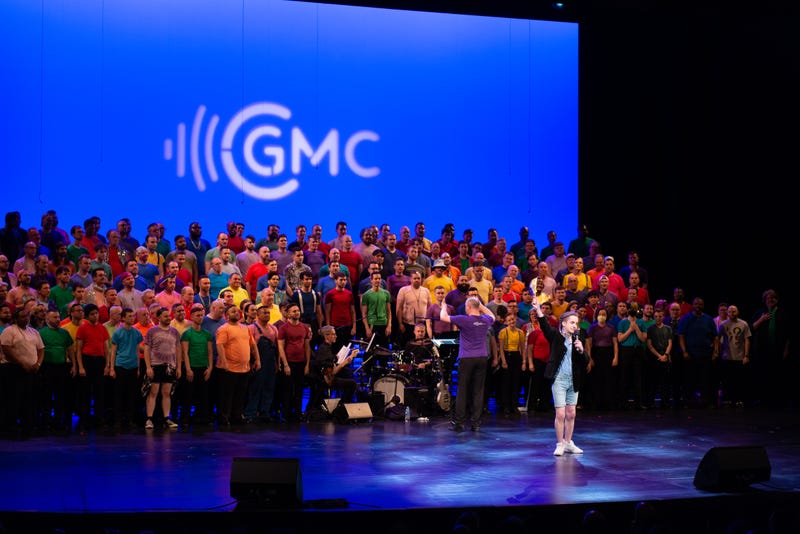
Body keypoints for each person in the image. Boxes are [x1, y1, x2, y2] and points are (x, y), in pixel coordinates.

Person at [530, 295, 589, 456]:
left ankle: (568, 442)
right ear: (563, 323)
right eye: (572, 323)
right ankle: (560, 443)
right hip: (559, 379)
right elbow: (545, 326)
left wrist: (582, 350)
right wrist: (537, 309)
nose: (575, 326)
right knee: (561, 413)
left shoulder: (578, 338)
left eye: (576, 323)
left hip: (574, 380)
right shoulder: (556, 336)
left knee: (572, 413)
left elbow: (586, 360)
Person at [440, 296, 495, 432]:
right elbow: (492, 316)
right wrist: (481, 306)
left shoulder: (464, 320)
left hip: (467, 358)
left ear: (469, 307)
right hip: (482, 358)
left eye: (466, 306)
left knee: (462, 390)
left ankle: (459, 423)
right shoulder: (485, 320)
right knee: (478, 391)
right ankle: (475, 424)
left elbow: (443, 317)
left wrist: (443, 306)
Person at [215, 305, 258, 426]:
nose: (236, 313)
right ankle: (224, 417)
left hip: (243, 368)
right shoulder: (224, 329)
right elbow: (220, 346)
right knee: (226, 395)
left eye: (237, 311)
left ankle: (236, 416)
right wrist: (224, 363)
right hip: (229, 368)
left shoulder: (245, 328)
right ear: (227, 316)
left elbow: (253, 345)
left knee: (240, 395)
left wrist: (258, 360)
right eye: (233, 312)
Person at [143, 307, 182, 429]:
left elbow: (178, 349)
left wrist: (178, 367)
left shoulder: (175, 332)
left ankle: (166, 418)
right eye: (165, 316)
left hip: (170, 366)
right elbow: (147, 349)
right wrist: (148, 367)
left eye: (169, 316)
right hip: (156, 365)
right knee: (153, 392)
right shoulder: (152, 331)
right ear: (159, 317)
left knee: (166, 393)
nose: (168, 318)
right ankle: (149, 419)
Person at [678, 297, 719, 409]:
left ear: (703, 306)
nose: (698, 306)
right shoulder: (686, 319)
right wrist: (684, 351)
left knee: (705, 379)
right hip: (690, 355)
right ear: (693, 305)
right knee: (689, 379)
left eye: (700, 304)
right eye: (696, 304)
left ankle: (706, 401)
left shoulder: (708, 319)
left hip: (705, 354)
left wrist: (715, 351)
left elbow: (715, 337)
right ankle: (688, 401)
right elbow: (681, 336)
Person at [108, 307, 144, 429]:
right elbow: (113, 351)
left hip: (132, 365)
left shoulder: (137, 332)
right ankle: (117, 419)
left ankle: (130, 419)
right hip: (121, 365)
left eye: (133, 316)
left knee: (131, 394)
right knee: (119, 394)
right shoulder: (118, 332)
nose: (132, 318)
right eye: (129, 316)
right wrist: (112, 368)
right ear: (123, 318)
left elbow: (137, 351)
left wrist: (138, 368)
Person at [243, 304, 279, 424]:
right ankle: (250, 413)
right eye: (264, 313)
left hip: (270, 362)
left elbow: (277, 348)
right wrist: (251, 362)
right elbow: (249, 348)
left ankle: (265, 412)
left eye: (268, 313)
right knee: (255, 388)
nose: (267, 315)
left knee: (269, 388)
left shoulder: (273, 329)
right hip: (257, 362)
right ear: (257, 315)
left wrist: (277, 363)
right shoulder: (252, 328)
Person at [277, 302, 312, 423]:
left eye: (298, 310)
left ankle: (297, 413)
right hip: (289, 362)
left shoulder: (304, 327)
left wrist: (307, 364)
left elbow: (307, 347)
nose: (297, 313)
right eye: (294, 311)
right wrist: (285, 364)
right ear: (288, 314)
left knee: (299, 389)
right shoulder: (283, 328)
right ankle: (286, 414)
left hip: (301, 362)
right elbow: (280, 347)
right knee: (287, 389)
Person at [309, 325, 358, 411]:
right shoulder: (324, 350)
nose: (336, 336)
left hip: (326, 378)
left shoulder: (325, 348)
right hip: (325, 380)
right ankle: (341, 407)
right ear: (326, 336)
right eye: (333, 334)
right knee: (352, 384)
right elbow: (332, 372)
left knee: (347, 373)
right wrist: (348, 359)